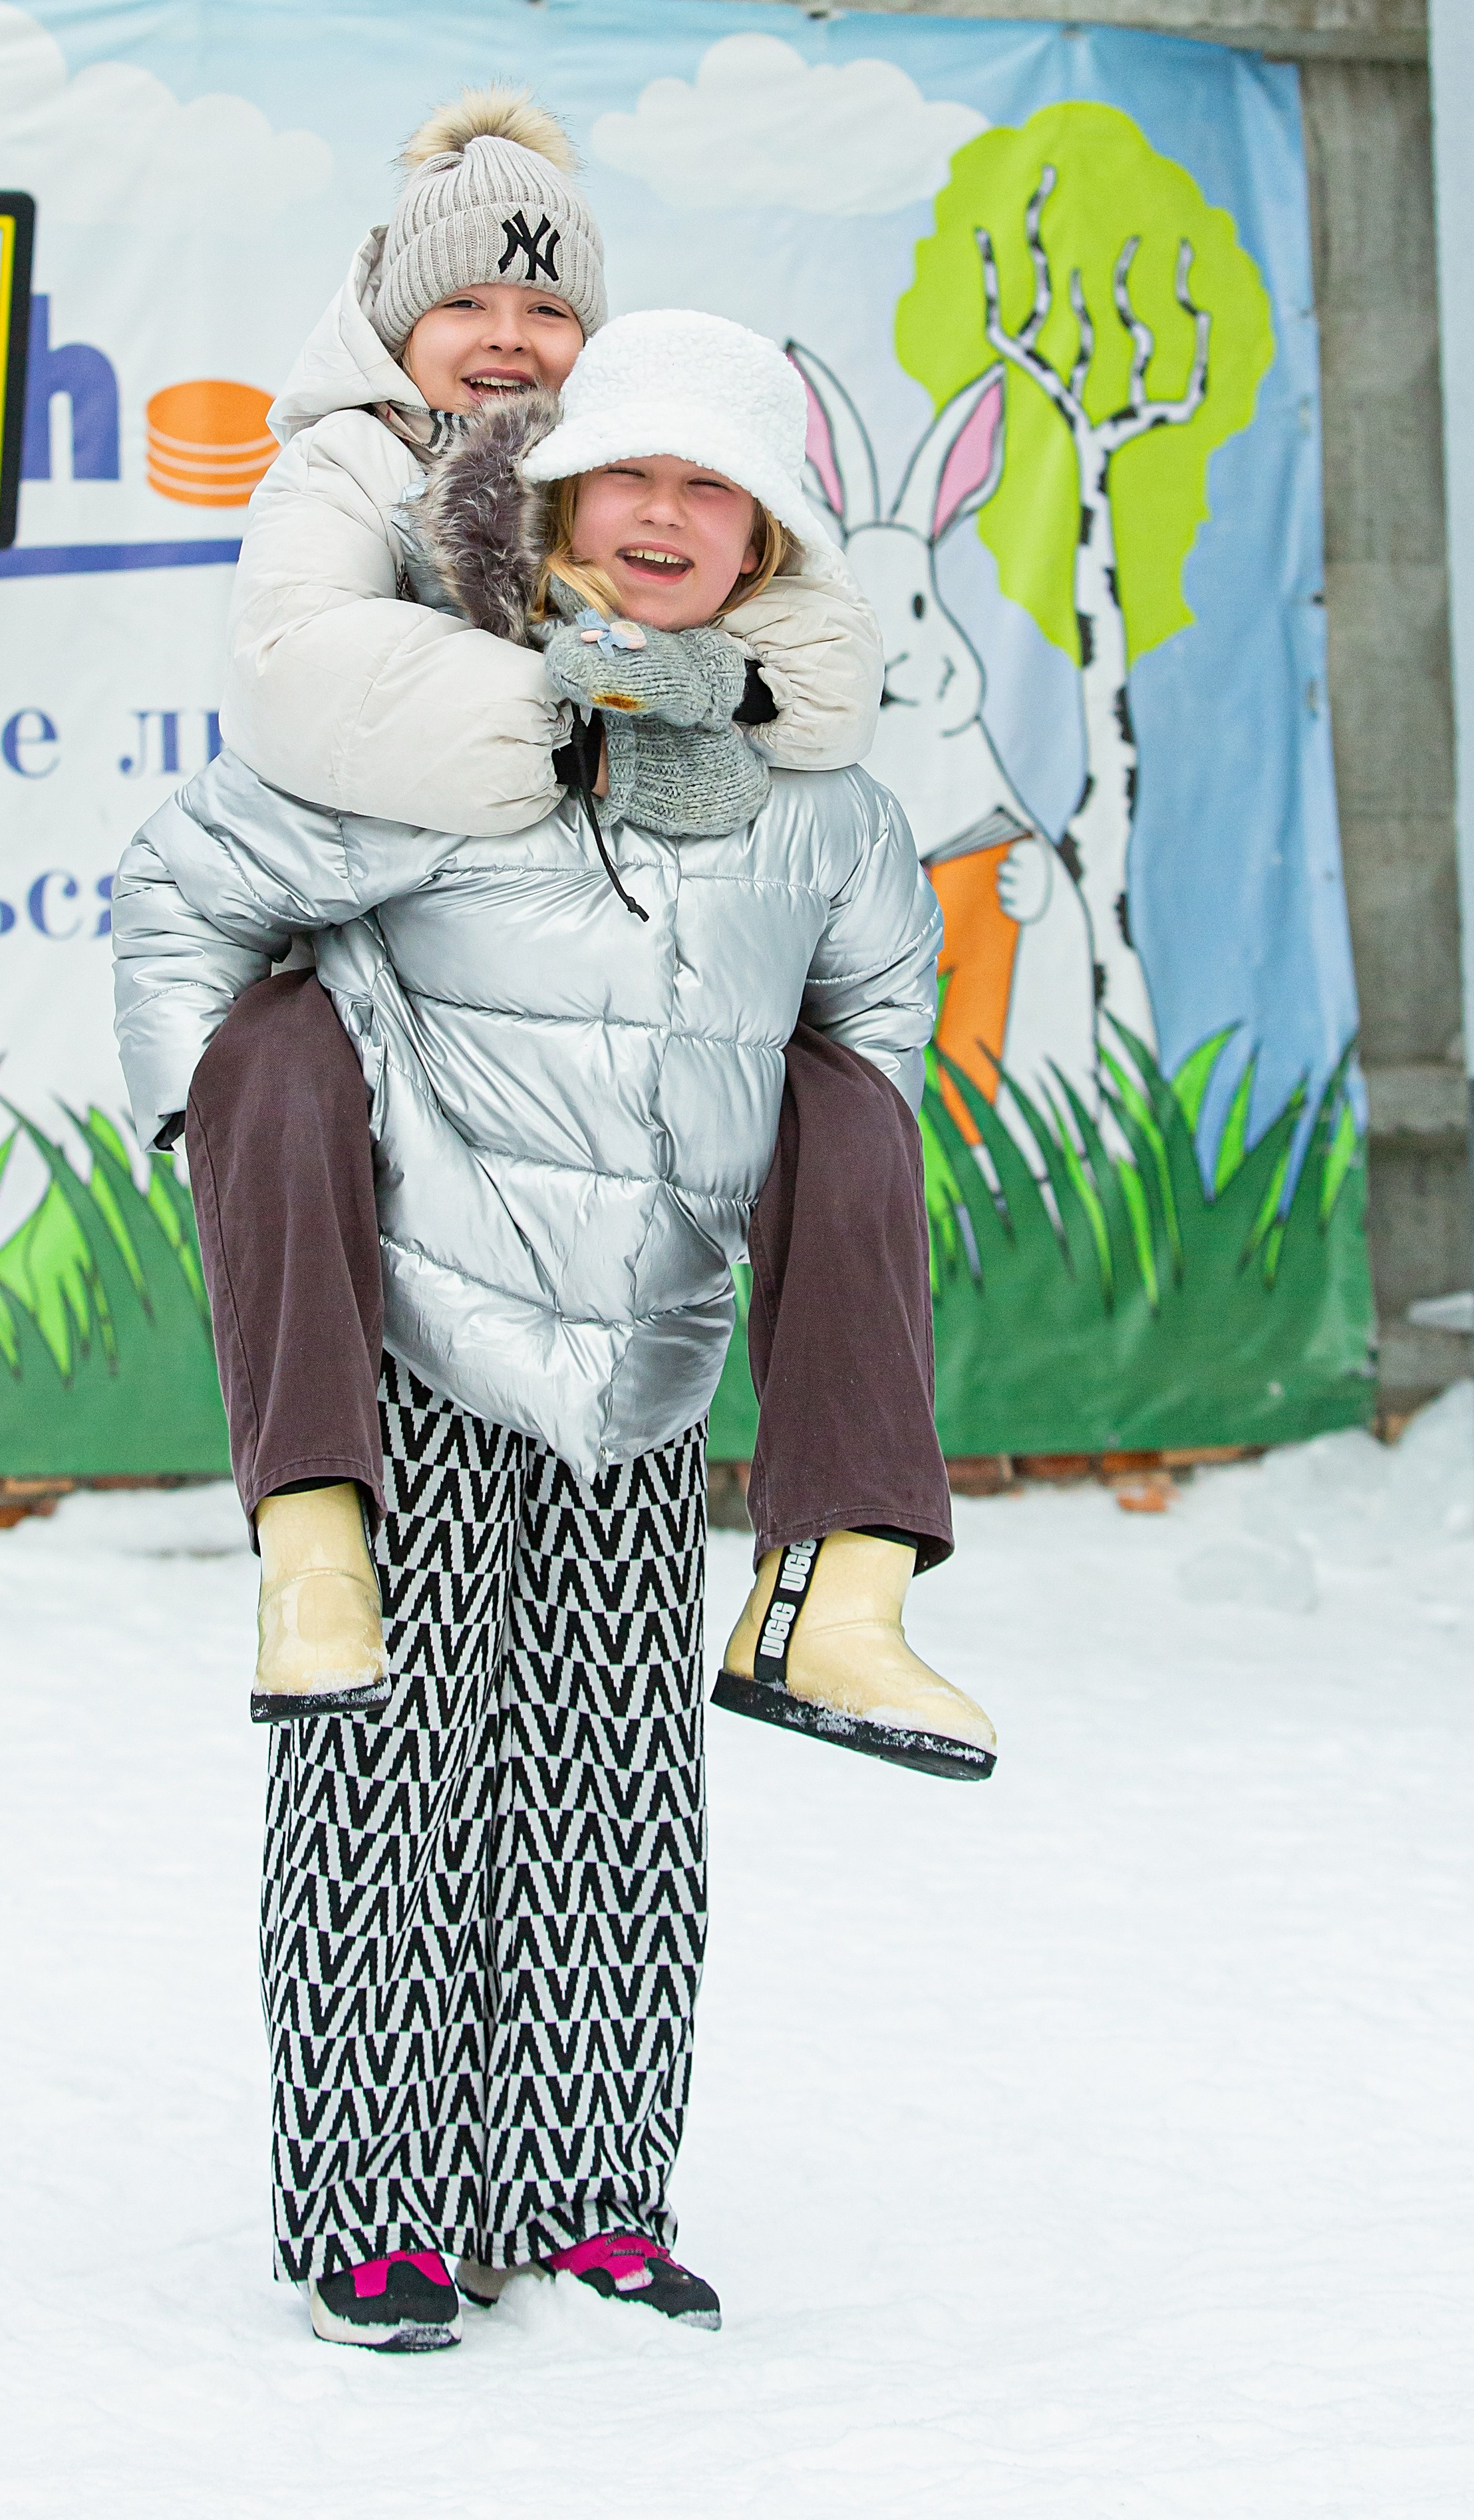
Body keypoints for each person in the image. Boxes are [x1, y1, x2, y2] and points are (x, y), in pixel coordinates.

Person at [114, 311, 994, 2353]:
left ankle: (593, 2193)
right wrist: (245, 1139)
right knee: (392, 1779)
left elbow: (868, 1036)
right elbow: (183, 900)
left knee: (613, 1785)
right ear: (566, 500)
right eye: (636, 479)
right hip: (416, 1331)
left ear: (769, 539)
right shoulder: (440, 740)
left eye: (718, 490)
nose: (672, 518)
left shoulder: (821, 810)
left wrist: (784, 1182)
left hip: (638, 1359)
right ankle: (371, 2212)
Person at [134, 84, 998, 1770]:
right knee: (384, 1784)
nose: (507, 339)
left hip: (636, 1283)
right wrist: (571, 716)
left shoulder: (761, 711)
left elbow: (825, 727)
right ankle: (312, 1543)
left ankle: (843, 1589)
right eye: (466, 302)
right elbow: (290, 707)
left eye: (546, 309)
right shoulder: (344, 472)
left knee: (606, 1799)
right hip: (416, 1199)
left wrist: (693, 706)